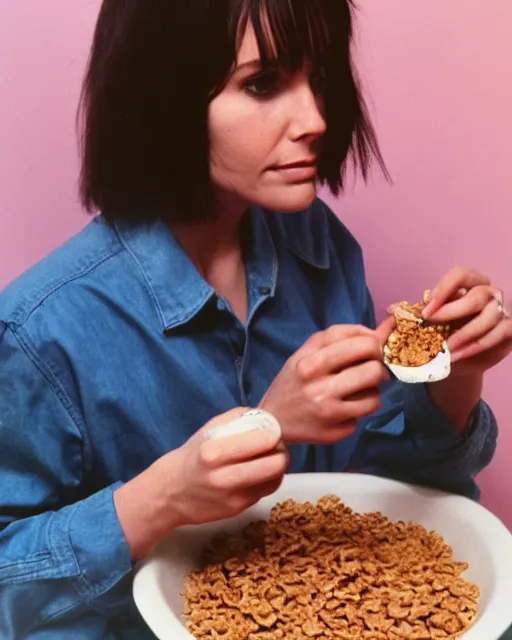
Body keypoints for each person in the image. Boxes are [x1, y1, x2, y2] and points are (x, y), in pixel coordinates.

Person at [0, 0, 510, 638]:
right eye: (262, 83)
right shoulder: (39, 330)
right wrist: (167, 494)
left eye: (318, 76)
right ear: (164, 92)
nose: (316, 119)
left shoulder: (319, 248)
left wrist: (454, 369)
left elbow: (393, 494)